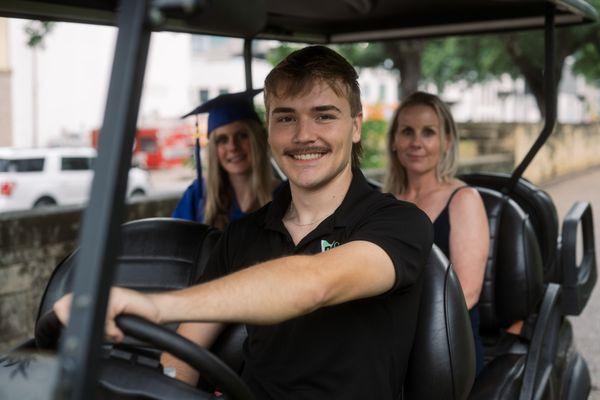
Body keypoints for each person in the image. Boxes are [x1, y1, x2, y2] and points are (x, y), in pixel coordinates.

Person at [54, 46, 433, 400]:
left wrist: (154, 307)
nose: (303, 135)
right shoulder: (242, 235)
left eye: (324, 115)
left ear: (355, 126)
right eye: (286, 117)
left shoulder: (399, 223)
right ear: (269, 130)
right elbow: (183, 354)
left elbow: (313, 284)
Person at [383, 91, 489, 375]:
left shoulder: (464, 199)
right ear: (394, 141)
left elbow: (467, 292)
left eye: (428, 132)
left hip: (446, 346)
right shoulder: (384, 204)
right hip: (387, 340)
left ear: (446, 142)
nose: (416, 142)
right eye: (407, 131)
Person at [172, 89, 276, 229]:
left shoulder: (283, 195)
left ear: (258, 139)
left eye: (242, 136)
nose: (233, 147)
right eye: (222, 140)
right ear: (213, 149)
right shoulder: (198, 194)